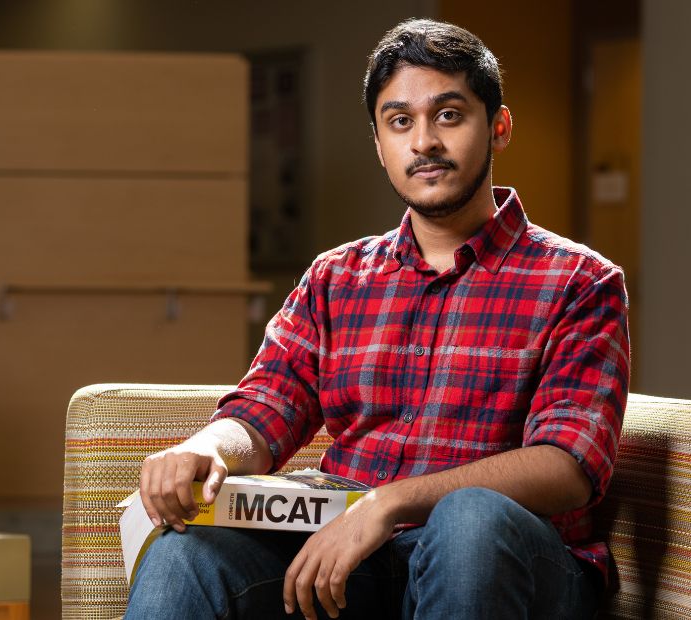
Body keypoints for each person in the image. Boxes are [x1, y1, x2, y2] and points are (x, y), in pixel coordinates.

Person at [127, 18, 628, 620]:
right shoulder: (335, 278)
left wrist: (387, 504)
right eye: (400, 122)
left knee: (469, 517)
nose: (424, 143)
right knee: (188, 555)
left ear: (498, 127)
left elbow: (567, 464)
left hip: (511, 567)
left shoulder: (579, 281)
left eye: (448, 115)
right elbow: (265, 406)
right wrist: (207, 449)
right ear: (380, 144)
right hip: (352, 564)